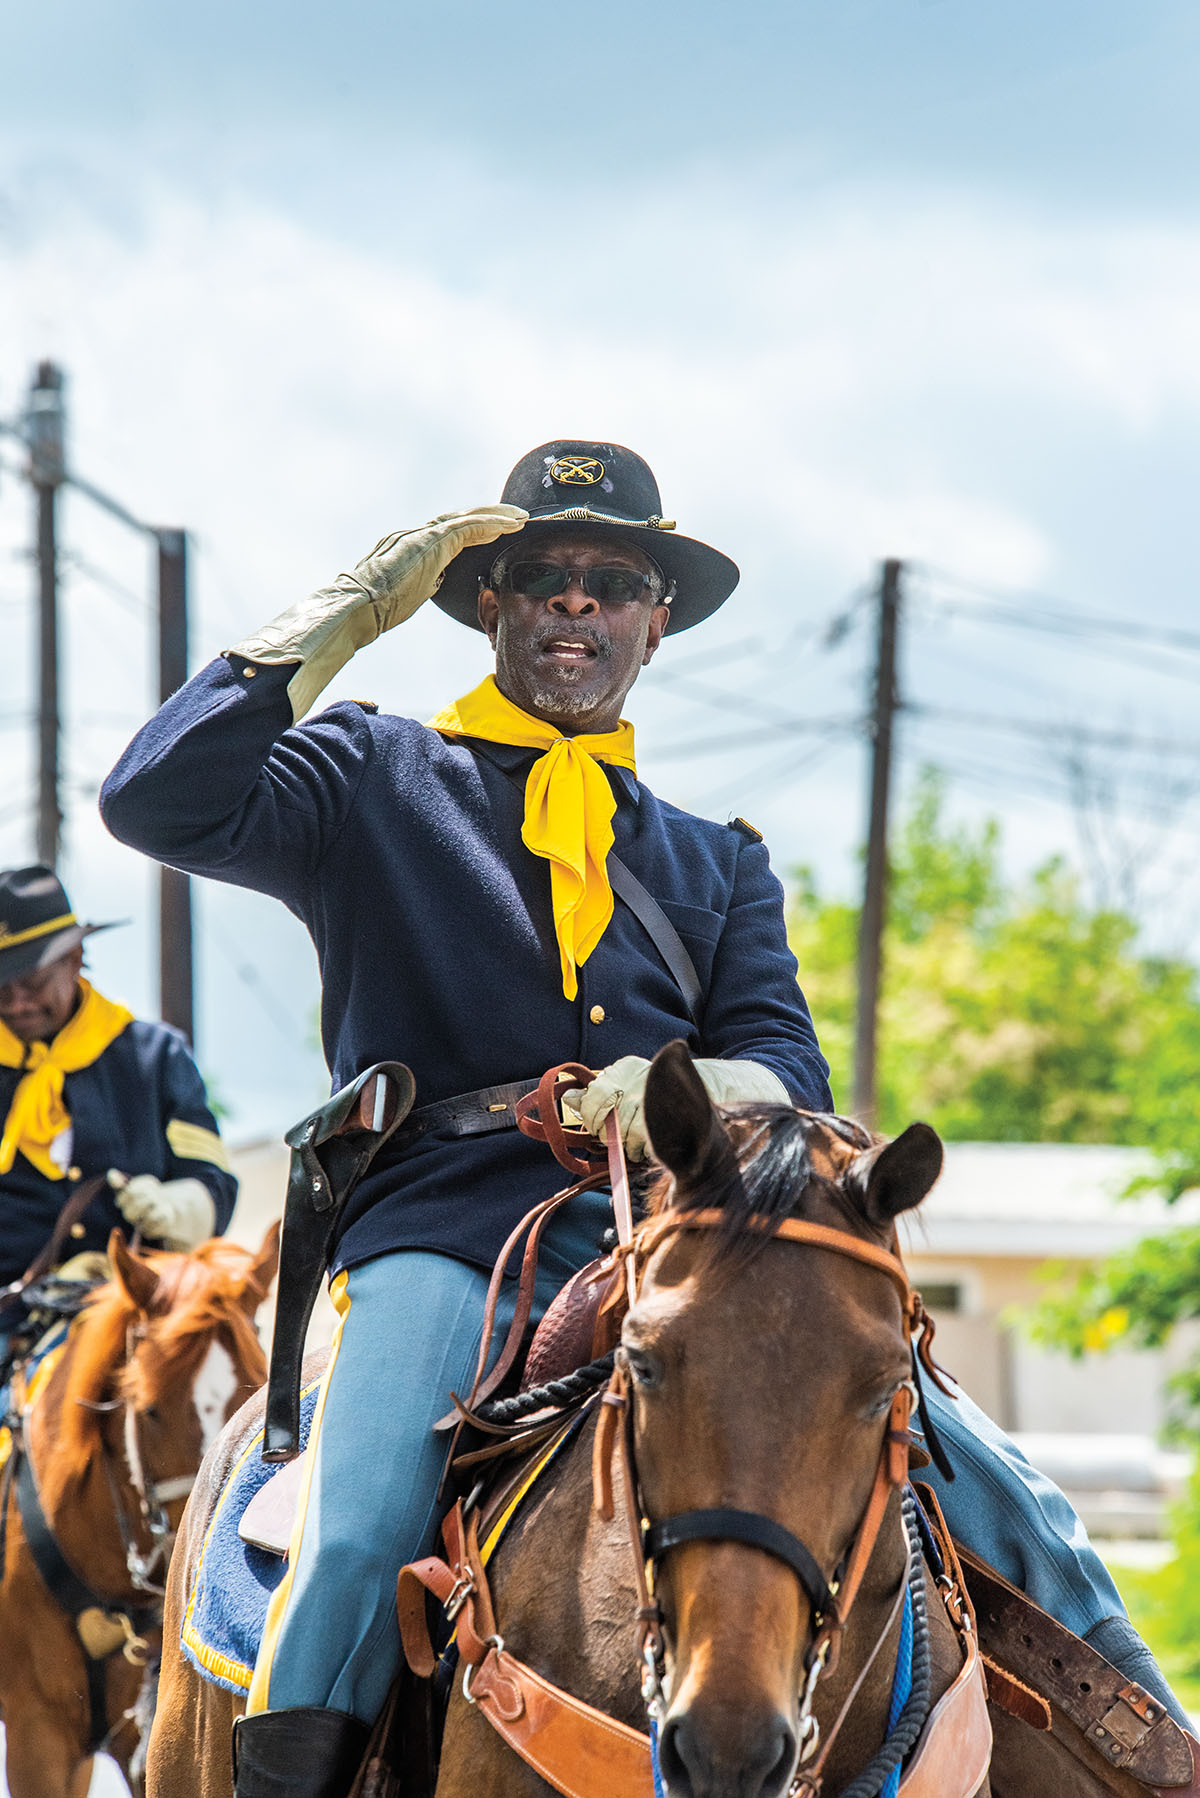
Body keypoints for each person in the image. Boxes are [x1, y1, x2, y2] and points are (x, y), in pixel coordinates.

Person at [100, 441, 1189, 1796]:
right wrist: (347, 612)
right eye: (541, 578)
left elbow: (788, 1061)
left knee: (984, 1471)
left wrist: (713, 1092)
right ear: (486, 603)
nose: (576, 604)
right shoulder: (373, 774)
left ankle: (1156, 1752)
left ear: (653, 621)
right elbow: (156, 796)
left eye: (611, 582)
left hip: (680, 1239)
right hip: (441, 1234)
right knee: (363, 1513)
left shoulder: (713, 858)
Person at [0, 864, 237, 1306]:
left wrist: (178, 1206)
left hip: (140, 1300)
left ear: (74, 959)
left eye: (31, 980)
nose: (16, 1003)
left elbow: (213, 1181)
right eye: (0, 987)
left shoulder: (156, 1057)